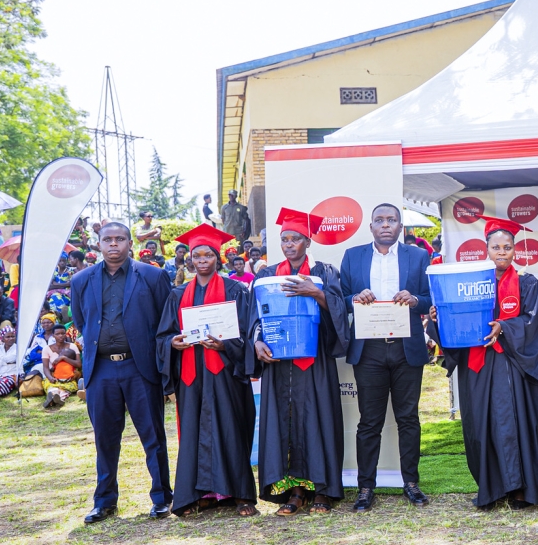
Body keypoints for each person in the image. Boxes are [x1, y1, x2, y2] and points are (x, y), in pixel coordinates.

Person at [428, 216, 538, 509]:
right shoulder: (468, 282)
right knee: (483, 425)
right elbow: (457, 323)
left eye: (507, 247)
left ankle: (523, 490)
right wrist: (439, 318)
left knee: (521, 424)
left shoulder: (527, 283)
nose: (502, 252)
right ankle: (493, 489)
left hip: (515, 365)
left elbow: (533, 322)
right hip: (479, 365)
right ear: (486, 250)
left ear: (515, 250)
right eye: (496, 247)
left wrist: (504, 327)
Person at [246, 208, 350, 516]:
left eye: (295, 239)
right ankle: (295, 491)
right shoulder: (267, 275)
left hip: (314, 361)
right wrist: (257, 342)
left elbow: (339, 312)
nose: (289, 244)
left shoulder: (324, 272)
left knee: (319, 420)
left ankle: (323, 489)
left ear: (308, 242)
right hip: (279, 363)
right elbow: (255, 316)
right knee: (285, 422)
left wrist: (315, 292)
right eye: (284, 239)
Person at [71, 221, 174, 524]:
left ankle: (162, 498)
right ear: (99, 244)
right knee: (105, 438)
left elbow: (165, 321)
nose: (113, 244)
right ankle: (104, 502)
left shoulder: (153, 276)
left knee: (153, 436)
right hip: (101, 368)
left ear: (130, 243)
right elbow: (81, 320)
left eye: (119, 239)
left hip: (139, 367)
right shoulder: (81, 280)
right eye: (108, 239)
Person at [156, 224, 258, 518]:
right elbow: (163, 335)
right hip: (192, 376)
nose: (202, 260)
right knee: (193, 431)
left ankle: (240, 495)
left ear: (218, 258)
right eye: (197, 255)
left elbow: (248, 333)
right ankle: (198, 495)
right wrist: (172, 343)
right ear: (190, 259)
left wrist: (226, 345)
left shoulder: (235, 290)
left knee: (230, 428)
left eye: (208, 255)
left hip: (225, 373)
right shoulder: (177, 294)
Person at [340, 204, 432, 511]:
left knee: (408, 419)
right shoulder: (353, 256)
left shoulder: (418, 256)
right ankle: (366, 487)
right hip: (369, 349)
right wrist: (355, 298)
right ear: (371, 226)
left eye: (391, 220)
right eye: (379, 220)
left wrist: (415, 299)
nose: (385, 225)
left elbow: (431, 298)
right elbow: (340, 298)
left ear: (400, 226)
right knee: (369, 422)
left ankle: (411, 483)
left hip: (407, 347)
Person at [43, 324, 81, 408]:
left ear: (65, 334)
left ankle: (57, 399)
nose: (61, 336)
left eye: (63, 333)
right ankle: (54, 397)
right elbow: (45, 368)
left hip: (70, 377)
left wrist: (64, 358)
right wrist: (50, 378)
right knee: (52, 387)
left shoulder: (72, 346)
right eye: (57, 334)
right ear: (53, 335)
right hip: (54, 377)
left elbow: (78, 364)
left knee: (66, 388)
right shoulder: (46, 349)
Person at [0, 325, 18, 397]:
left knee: (1, 385)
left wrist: (1, 360)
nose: (11, 338)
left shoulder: (18, 348)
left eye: (13, 336)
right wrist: (7, 361)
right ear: (2, 338)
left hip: (12, 375)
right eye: (8, 337)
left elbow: (12, 358)